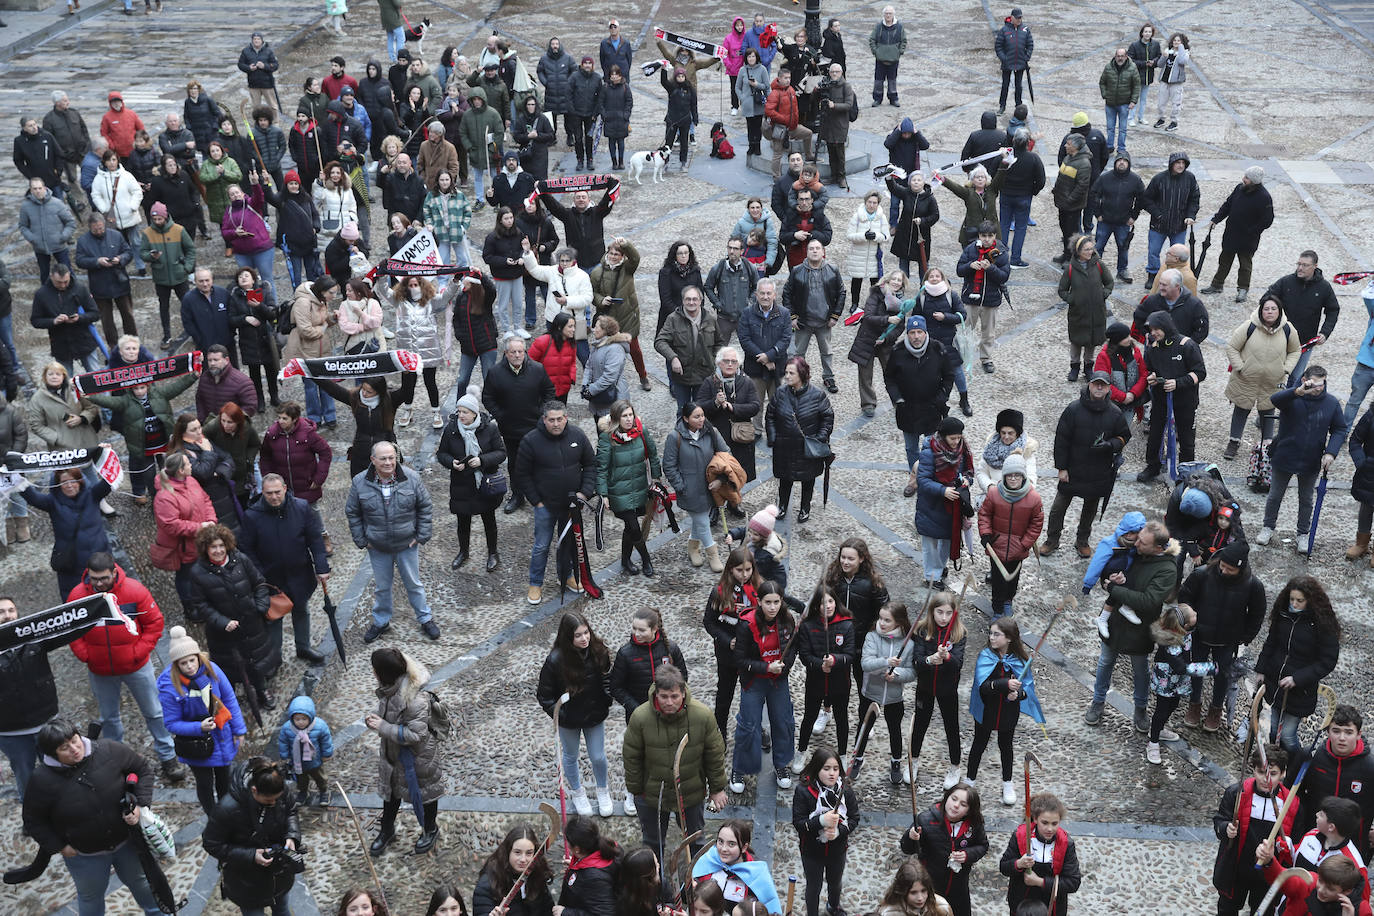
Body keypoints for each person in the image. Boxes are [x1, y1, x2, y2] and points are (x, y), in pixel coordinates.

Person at [22, 717, 165, 916]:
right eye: (65, 747)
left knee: (141, 883)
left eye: (74, 740)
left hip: (127, 843)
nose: (74, 748)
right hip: (85, 856)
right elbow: (34, 821)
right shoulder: (41, 781)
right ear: (52, 754)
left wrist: (140, 805)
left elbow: (142, 769)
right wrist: (60, 846)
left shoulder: (109, 750)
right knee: (90, 898)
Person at [1084, 519, 1178, 731]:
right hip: (1115, 621)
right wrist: (1110, 579)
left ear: (1157, 548)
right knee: (1105, 662)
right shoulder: (1133, 549)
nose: (1136, 544)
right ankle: (1098, 702)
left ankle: (1140, 709)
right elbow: (1108, 569)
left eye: (1143, 543)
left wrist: (1114, 590)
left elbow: (1149, 601)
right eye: (1139, 538)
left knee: (1140, 670)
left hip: (1140, 627)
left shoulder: (1167, 569)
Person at [624, 662, 726, 855]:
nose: (669, 702)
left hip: (691, 792)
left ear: (683, 693)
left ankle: (699, 880)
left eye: (674, 696)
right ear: (656, 694)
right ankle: (655, 879)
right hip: (652, 795)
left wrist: (717, 789)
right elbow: (632, 757)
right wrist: (637, 792)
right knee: (653, 843)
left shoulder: (702, 716)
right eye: (664, 697)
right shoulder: (640, 717)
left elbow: (714, 754)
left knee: (696, 841)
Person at [347, 442, 438, 642]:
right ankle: (381, 621)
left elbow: (425, 506)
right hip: (378, 547)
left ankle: (425, 618)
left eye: (391, 457)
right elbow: (352, 512)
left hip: (407, 545)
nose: (389, 462)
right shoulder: (360, 482)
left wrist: (421, 536)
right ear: (373, 460)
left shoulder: (412, 478)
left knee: (414, 584)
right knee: (382, 587)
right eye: (383, 458)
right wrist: (362, 540)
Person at [239, 473, 330, 667]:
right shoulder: (252, 516)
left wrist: (321, 566)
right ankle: (275, 657)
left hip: (299, 573)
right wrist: (260, 578)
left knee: (301, 610)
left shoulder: (302, 508)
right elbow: (247, 549)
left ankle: (303, 646)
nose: (274, 497)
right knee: (273, 619)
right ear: (262, 492)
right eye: (269, 493)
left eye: (277, 492)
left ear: (285, 489)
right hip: (270, 578)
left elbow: (314, 539)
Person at [1254, 367, 1348, 553]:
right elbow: (1274, 400)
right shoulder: (1292, 398)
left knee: (1306, 499)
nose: (1319, 388)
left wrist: (1331, 452)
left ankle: (1302, 533)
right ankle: (1268, 527)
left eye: (1322, 384)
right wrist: (1297, 391)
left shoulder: (1331, 403)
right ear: (1305, 380)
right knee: (1275, 496)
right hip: (1285, 454)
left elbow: (1339, 429)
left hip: (1311, 458)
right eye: (1315, 384)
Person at [1177, 541, 1266, 732]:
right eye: (1222, 566)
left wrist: (1246, 636)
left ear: (1240, 569)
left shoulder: (1253, 585)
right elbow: (1185, 597)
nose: (1224, 571)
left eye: (1230, 569)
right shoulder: (1202, 574)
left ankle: (1215, 710)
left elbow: (1257, 614)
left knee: (1223, 676)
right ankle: (1194, 704)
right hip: (1200, 634)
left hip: (1228, 640)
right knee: (1196, 670)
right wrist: (1189, 621)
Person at [158, 625, 246, 814]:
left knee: (224, 779)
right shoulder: (170, 687)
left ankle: (226, 812)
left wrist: (239, 730)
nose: (190, 666)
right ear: (176, 665)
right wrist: (199, 727)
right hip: (197, 746)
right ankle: (213, 816)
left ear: (199, 657)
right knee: (205, 784)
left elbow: (229, 699)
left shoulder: (212, 670)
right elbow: (171, 724)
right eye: (183, 663)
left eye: (192, 660)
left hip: (221, 736)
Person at [514, 400, 595, 603]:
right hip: (545, 506)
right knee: (541, 546)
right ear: (544, 420)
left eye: (560, 419)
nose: (556, 424)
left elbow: (591, 464)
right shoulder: (530, 441)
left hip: (571, 506)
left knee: (568, 544)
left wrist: (584, 493)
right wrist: (536, 502)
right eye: (552, 420)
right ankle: (535, 583)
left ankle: (567, 576)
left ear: (566, 418)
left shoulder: (577, 435)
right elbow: (521, 474)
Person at [365, 647, 444, 855]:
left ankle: (430, 829)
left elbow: (415, 735)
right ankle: (387, 829)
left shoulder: (414, 699)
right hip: (393, 756)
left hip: (418, 760)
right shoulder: (390, 688)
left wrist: (383, 727)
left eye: (374, 669)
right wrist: (375, 718)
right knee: (390, 796)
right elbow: (389, 711)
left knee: (426, 796)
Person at [537, 612, 615, 816]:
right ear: (568, 637)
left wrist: (607, 698)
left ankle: (602, 790)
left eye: (586, 633)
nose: (584, 639)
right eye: (578, 635)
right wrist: (560, 716)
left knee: (598, 756)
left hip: (594, 714)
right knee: (570, 756)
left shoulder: (598, 651)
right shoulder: (555, 660)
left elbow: (607, 676)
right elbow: (544, 695)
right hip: (568, 719)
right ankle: (578, 792)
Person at [202, 756, 302, 915]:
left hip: (280, 876)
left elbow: (291, 811)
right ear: (254, 790)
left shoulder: (279, 789)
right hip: (246, 883)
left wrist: (291, 836)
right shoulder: (226, 809)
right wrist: (251, 855)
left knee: (282, 910)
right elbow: (212, 844)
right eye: (269, 801)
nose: (275, 803)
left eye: (278, 798)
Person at [730, 581, 796, 793]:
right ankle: (739, 768)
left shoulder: (787, 620)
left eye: (776, 602)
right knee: (749, 725)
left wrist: (783, 667)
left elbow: (793, 649)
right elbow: (739, 659)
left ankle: (781, 765)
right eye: (768, 602)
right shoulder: (746, 624)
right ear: (759, 601)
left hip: (778, 680)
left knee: (784, 722)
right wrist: (767, 667)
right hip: (754, 680)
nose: (772, 607)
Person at [1212, 744, 1293, 916]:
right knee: (1227, 909)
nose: (1266, 779)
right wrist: (1226, 829)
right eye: (1261, 772)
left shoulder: (1291, 803)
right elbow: (1219, 820)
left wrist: (1285, 847)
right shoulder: (1236, 793)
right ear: (1253, 770)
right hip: (1236, 868)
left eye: (1273, 774)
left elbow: (1295, 842)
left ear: (1283, 773)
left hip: (1268, 875)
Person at [435, 386, 506, 571]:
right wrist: (452, 463)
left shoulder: (490, 429)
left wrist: (481, 460)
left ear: (474, 413)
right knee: (463, 522)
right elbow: (441, 453)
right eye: (459, 411)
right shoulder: (451, 430)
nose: (461, 415)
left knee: (489, 520)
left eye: (465, 412)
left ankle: (493, 553)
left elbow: (501, 453)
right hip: (461, 484)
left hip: (485, 482)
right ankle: (463, 552)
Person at [1222, 295, 1300, 459]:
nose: (1270, 312)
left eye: (1273, 309)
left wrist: (1286, 369)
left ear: (1279, 311)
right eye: (1266, 309)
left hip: (1272, 381)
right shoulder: (1249, 326)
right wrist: (1240, 367)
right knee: (1241, 409)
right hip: (1246, 379)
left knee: (1268, 411)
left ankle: (1267, 447)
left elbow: (1295, 350)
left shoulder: (1288, 329)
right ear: (1260, 310)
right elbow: (1232, 347)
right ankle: (1233, 442)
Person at [18, 463, 112, 597]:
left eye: (73, 480)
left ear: (80, 481)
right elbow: (30, 496)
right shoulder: (51, 502)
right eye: (64, 482)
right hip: (71, 564)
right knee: (74, 598)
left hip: (99, 558)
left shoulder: (93, 494)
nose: (69, 485)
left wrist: (105, 455)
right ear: (57, 484)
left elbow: (109, 480)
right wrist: (15, 471)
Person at [886, 314, 957, 492]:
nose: (916, 336)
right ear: (907, 334)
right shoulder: (898, 351)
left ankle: (930, 478)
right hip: (907, 409)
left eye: (919, 332)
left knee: (932, 447)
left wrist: (942, 397)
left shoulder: (938, 349)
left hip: (932, 409)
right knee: (911, 448)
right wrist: (897, 399)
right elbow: (889, 378)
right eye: (912, 332)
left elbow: (949, 376)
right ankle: (914, 479)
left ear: (925, 333)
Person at [1136, 311, 1206, 483]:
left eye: (1156, 329)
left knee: (1186, 439)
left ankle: (1186, 471)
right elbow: (1151, 369)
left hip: (1185, 402)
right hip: (1161, 400)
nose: (1153, 333)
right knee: (1155, 434)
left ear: (1166, 326)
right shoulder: (1153, 348)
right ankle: (1153, 466)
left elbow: (1200, 373)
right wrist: (1152, 377)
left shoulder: (1186, 345)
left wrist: (1178, 382)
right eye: (1151, 330)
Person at [901, 782, 989, 916]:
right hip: (931, 884)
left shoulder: (974, 823)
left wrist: (968, 855)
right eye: (953, 799)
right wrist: (911, 837)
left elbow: (982, 845)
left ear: (970, 810)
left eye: (963, 804)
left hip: (959, 886)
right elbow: (907, 848)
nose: (956, 805)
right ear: (946, 797)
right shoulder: (925, 819)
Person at [792, 586, 855, 770]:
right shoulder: (807, 625)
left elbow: (850, 654)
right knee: (809, 717)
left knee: (841, 719)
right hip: (816, 681)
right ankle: (801, 751)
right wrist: (820, 664)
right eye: (822, 602)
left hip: (840, 683)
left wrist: (835, 660)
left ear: (836, 602)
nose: (827, 606)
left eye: (830, 601)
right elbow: (804, 655)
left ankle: (842, 754)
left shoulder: (847, 624)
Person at [910, 592, 968, 790]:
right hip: (925, 687)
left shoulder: (959, 634)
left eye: (948, 613)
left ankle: (955, 766)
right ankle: (914, 760)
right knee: (920, 725)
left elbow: (958, 664)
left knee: (951, 727)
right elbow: (916, 661)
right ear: (932, 611)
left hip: (947, 689)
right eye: (940, 612)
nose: (944, 617)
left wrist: (947, 657)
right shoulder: (922, 630)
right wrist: (930, 660)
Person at [791, 746, 859, 916]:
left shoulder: (845, 790)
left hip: (837, 850)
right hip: (811, 852)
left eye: (835, 769)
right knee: (814, 887)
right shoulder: (803, 791)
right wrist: (821, 821)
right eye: (826, 768)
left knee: (835, 883)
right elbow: (799, 823)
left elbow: (854, 818)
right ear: (816, 769)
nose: (832, 774)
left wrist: (839, 832)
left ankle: (833, 907)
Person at [664, 401, 731, 571]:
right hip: (690, 490)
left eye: (702, 415)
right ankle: (712, 553)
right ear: (686, 419)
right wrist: (682, 487)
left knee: (699, 521)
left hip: (710, 489)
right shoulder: (674, 437)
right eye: (696, 416)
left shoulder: (711, 432)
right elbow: (669, 466)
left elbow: (726, 456)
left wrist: (720, 480)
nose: (701, 419)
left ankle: (693, 547)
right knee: (702, 521)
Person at [768, 356, 833, 522]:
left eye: (791, 373)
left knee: (807, 480)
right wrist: (773, 437)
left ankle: (805, 507)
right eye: (786, 372)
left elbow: (827, 417)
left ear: (802, 375)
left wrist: (820, 438)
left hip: (807, 447)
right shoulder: (780, 393)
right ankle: (782, 506)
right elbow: (770, 415)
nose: (787, 376)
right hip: (784, 447)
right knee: (785, 479)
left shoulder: (817, 395)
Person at [978, 455, 1043, 618]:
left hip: (1018, 549)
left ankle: (1008, 600)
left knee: (1012, 579)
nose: (1013, 478)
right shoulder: (993, 493)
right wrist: (986, 534)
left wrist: (1024, 544)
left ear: (1023, 476)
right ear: (1004, 476)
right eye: (1010, 475)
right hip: (996, 547)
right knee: (998, 580)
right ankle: (997, 609)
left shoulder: (1034, 498)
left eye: (1017, 475)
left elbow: (1036, 524)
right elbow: (984, 514)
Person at [150, 451, 216, 611]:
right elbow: (171, 525)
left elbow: (205, 499)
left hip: (200, 540)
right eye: (188, 463)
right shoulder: (164, 496)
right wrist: (200, 528)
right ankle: (191, 608)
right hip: (184, 547)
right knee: (186, 577)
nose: (191, 465)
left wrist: (211, 520)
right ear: (180, 470)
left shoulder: (191, 481)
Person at [1264, 250, 1341, 385]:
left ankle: (1287, 405)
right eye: (1299, 264)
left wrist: (1325, 332)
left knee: (1295, 378)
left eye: (1305, 265)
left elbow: (1333, 310)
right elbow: (1266, 299)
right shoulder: (1286, 282)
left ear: (1315, 266)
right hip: (1280, 338)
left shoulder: (1324, 287)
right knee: (1273, 374)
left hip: (1304, 342)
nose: (1300, 268)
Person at [915, 417, 975, 588]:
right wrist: (943, 490)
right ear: (943, 436)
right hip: (932, 507)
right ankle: (931, 576)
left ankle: (939, 569)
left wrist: (966, 481)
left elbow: (968, 471)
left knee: (947, 540)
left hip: (952, 507)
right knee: (931, 544)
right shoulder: (929, 453)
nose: (957, 442)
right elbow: (923, 480)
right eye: (952, 438)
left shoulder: (962, 449)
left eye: (958, 437)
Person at [998, 793, 1082, 915]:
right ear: (1035, 819)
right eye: (1045, 822)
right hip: (1022, 904)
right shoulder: (1021, 836)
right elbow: (1004, 867)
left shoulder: (1065, 844)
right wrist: (1018, 864)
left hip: (1052, 907)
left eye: (1054, 824)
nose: (1050, 829)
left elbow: (1073, 882)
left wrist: (1040, 882)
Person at [383, 275, 448, 430]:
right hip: (408, 351)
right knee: (407, 384)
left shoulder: (431, 300)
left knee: (430, 382)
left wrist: (455, 282)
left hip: (428, 350)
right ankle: (408, 410)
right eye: (410, 285)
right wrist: (380, 277)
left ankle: (436, 412)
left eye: (416, 284)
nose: (413, 288)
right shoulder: (399, 301)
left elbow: (447, 296)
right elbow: (384, 291)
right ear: (405, 286)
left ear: (422, 285)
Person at [1201, 167, 1274, 303]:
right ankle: (1217, 285)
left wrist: (1252, 231)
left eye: (1246, 178)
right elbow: (1228, 205)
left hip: (1248, 239)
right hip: (1231, 234)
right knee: (1224, 261)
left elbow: (1267, 220)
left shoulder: (1264, 197)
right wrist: (1216, 219)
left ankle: (1243, 289)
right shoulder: (1239, 188)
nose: (1243, 179)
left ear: (1254, 181)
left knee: (1245, 265)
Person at [738, 278, 792, 437]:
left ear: (775, 295)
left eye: (769, 293)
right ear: (756, 294)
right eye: (762, 293)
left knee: (778, 403)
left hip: (777, 367)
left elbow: (786, 339)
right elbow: (744, 339)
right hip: (755, 368)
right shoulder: (747, 313)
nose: (765, 296)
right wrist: (762, 358)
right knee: (756, 403)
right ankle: (756, 431)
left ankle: (775, 430)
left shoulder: (784, 313)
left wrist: (769, 356)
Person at [1057, 234, 1114, 382]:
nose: (1090, 252)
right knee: (1076, 342)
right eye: (1086, 249)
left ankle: (1088, 368)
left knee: (1091, 342)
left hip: (1096, 313)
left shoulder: (1099, 265)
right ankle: (1074, 367)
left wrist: (1103, 294)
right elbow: (1062, 290)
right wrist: (1072, 299)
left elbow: (1109, 282)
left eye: (1091, 249)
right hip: (1078, 313)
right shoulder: (1070, 268)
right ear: (1078, 251)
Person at [140, 201, 195, 347]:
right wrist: (151, 256)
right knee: (163, 307)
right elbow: (142, 253)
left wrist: (187, 268)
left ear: (165, 217)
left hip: (179, 276)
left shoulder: (178, 230)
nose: (157, 222)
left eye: (159, 219)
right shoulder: (147, 233)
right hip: (161, 277)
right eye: (154, 219)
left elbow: (190, 249)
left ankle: (193, 331)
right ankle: (166, 335)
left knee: (188, 305)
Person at [74, 213, 136, 344]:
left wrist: (120, 259)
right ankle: (113, 346)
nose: (99, 231)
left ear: (104, 224)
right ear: (89, 227)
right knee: (106, 320)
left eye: (101, 228)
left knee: (128, 315)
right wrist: (97, 262)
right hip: (100, 286)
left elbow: (128, 252)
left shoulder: (116, 235)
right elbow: (79, 260)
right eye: (95, 229)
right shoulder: (83, 241)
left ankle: (133, 343)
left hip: (120, 283)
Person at [657, 284, 721, 409]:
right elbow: (660, 341)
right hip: (682, 377)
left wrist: (714, 360)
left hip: (704, 375)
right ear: (683, 301)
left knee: (701, 411)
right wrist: (673, 358)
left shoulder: (710, 319)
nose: (691, 302)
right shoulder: (673, 319)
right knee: (683, 411)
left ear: (700, 301)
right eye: (688, 299)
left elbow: (720, 343)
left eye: (694, 299)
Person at [1141, 151, 1199, 287]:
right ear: (1171, 164)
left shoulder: (1190, 178)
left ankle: (1175, 277)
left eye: (1183, 163)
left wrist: (1190, 215)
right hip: (1158, 225)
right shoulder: (1159, 179)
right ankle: (1152, 275)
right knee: (1153, 252)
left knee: (1179, 256)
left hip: (1179, 226)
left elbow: (1194, 199)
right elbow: (1146, 199)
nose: (1180, 166)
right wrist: (1158, 214)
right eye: (1178, 163)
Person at [30, 264, 101, 375]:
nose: (63, 285)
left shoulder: (80, 288)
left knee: (96, 377)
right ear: (51, 276)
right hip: (60, 344)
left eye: (66, 282)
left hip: (84, 340)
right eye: (59, 282)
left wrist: (80, 318)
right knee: (65, 382)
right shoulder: (41, 294)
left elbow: (95, 313)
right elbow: (35, 320)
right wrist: (53, 321)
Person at [257, 403, 331, 509]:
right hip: (283, 491)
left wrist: (319, 478)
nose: (280, 421)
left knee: (312, 521)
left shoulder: (308, 433)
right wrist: (268, 477)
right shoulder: (272, 435)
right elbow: (265, 456)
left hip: (306, 488)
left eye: (284, 418)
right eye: (279, 418)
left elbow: (325, 452)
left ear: (294, 419)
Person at [473, 825, 556, 916]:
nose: (523, 859)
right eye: (517, 852)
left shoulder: (537, 877)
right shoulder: (488, 883)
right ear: (508, 852)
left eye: (529, 853)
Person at [227, 266, 279, 408]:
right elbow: (231, 319)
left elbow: (273, 313)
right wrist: (245, 319)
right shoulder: (235, 297)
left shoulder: (263, 291)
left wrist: (259, 306)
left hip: (265, 338)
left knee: (271, 370)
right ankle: (259, 400)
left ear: (253, 279)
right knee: (254, 373)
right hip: (247, 341)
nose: (243, 278)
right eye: (240, 277)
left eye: (246, 276)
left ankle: (274, 396)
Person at [1090, 152, 1145, 284]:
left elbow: (1142, 198)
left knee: (1123, 247)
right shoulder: (1105, 178)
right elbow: (1093, 194)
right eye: (1119, 160)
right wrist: (1097, 214)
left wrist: (1134, 216)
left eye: (1124, 161)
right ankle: (1093, 270)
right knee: (1099, 246)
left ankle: (1122, 270)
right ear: (1115, 163)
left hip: (1123, 221)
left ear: (1129, 163)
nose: (1122, 163)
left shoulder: (1135, 180)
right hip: (1105, 220)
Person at [558, 815, 621, 916]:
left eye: (568, 842)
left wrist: (566, 913)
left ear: (577, 849)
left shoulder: (594, 878)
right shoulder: (609, 847)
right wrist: (577, 864)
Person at [19, 177, 77, 286]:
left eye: (40, 188)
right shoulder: (25, 206)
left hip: (59, 246)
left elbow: (70, 222)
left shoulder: (57, 203)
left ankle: (75, 294)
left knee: (68, 272)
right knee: (44, 276)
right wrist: (32, 239)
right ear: (31, 190)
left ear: (45, 188)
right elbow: (23, 226)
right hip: (40, 248)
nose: (38, 191)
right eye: (35, 189)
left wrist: (63, 236)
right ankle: (47, 299)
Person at [887, 170, 939, 279]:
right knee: (903, 264)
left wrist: (923, 221)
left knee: (923, 265)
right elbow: (894, 188)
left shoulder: (930, 198)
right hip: (904, 235)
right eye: (913, 180)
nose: (916, 182)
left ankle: (925, 288)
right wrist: (889, 178)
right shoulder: (906, 193)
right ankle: (901, 287)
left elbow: (935, 216)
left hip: (921, 237)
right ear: (910, 183)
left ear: (923, 182)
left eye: (919, 180)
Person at [182, 269, 238, 366]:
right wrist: (200, 340)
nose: (205, 284)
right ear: (195, 282)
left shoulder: (223, 293)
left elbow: (233, 314)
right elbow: (188, 323)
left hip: (227, 345)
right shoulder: (188, 299)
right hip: (205, 347)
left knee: (233, 374)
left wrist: (231, 334)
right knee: (210, 377)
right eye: (201, 281)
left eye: (207, 280)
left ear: (212, 280)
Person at [765, 69, 813, 179]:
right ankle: (776, 177)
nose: (788, 80)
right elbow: (768, 111)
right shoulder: (775, 93)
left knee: (808, 133)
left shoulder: (790, 89)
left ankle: (809, 155)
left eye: (789, 78)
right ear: (779, 78)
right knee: (777, 154)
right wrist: (783, 119)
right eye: (785, 78)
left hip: (792, 127)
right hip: (780, 129)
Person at [196, 344, 258, 422]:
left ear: (226, 360)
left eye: (216, 360)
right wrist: (202, 420)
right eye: (209, 360)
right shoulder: (204, 378)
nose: (212, 363)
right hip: (209, 427)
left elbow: (250, 407)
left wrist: (230, 422)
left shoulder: (242, 382)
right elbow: (200, 399)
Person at [1099, 48, 1141, 153]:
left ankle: (1121, 148)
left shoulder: (1132, 68)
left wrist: (1133, 101)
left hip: (1124, 104)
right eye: (1118, 56)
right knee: (1110, 127)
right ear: (1115, 56)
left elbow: (1136, 86)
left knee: (1122, 129)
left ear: (1126, 56)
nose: (1120, 58)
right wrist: (1105, 95)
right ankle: (1109, 146)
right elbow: (1102, 82)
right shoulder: (1108, 67)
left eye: (1122, 56)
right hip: (1110, 104)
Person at [530, 311, 579, 399]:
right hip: (544, 391)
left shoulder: (572, 343)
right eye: (570, 326)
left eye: (574, 326)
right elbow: (529, 363)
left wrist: (571, 377)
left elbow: (572, 363)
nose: (573, 329)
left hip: (563, 390)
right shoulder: (543, 341)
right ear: (560, 327)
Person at [876, 860, 953, 916]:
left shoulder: (942, 907)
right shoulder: (889, 913)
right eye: (913, 892)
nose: (920, 898)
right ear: (903, 891)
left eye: (923, 891)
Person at [994, 7, 1033, 114]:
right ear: (1012, 18)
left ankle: (1018, 106)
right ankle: (1002, 106)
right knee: (1005, 85)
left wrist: (1026, 57)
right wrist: (1004, 58)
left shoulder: (1025, 29)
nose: (1019, 20)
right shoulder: (1004, 30)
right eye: (1017, 18)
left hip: (1020, 63)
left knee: (1018, 86)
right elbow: (998, 46)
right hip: (1007, 64)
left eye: (1020, 18)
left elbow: (1030, 45)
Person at [1349, 404, 1374, 565]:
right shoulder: (1371, 414)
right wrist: (1362, 463)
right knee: (1366, 507)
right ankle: (1361, 544)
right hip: (1370, 472)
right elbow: (1355, 440)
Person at [1152, 33, 1191, 131]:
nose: (1176, 42)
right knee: (1161, 103)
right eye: (1174, 40)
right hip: (1164, 81)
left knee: (1176, 104)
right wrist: (1164, 57)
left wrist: (1181, 48)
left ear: (1182, 43)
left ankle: (1174, 122)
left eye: (1179, 41)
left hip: (1176, 82)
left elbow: (1182, 61)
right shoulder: (1167, 51)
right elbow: (1160, 65)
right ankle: (1161, 119)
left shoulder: (1185, 53)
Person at [1127, 24, 1162, 125]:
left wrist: (1153, 62)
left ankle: (1141, 117)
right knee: (1134, 98)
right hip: (1136, 76)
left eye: (1149, 32)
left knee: (1143, 98)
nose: (1147, 34)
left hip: (1148, 76)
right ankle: (1131, 118)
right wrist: (1144, 63)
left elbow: (1159, 57)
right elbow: (1130, 60)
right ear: (1142, 33)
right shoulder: (1134, 45)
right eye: (1146, 32)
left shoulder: (1155, 44)